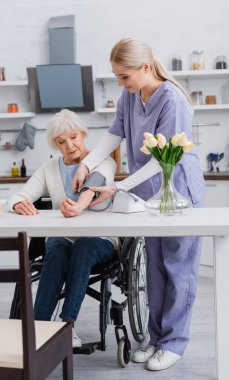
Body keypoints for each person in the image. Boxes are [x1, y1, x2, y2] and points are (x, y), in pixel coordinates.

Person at [72, 38, 206, 370]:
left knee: (178, 270)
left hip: (179, 194)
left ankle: (174, 343)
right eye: (117, 77)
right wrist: (87, 164)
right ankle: (157, 338)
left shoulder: (173, 101)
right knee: (156, 269)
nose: (121, 84)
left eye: (124, 76)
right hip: (149, 196)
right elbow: (114, 134)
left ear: (145, 67)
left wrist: (116, 186)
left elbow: (161, 160)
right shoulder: (131, 95)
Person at [7, 109, 118, 347]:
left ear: (83, 134)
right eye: (62, 142)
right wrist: (18, 203)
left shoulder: (104, 161)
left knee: (84, 246)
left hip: (100, 240)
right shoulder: (49, 168)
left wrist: (79, 206)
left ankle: (68, 326)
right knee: (55, 246)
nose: (70, 145)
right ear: (56, 145)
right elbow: (17, 196)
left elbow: (95, 183)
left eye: (74, 137)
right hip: (64, 239)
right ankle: (38, 330)